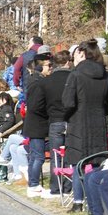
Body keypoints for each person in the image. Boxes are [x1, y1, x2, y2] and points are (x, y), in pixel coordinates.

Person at [64, 40, 108, 212]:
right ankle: (94, 203)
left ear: (82, 54)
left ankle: (78, 202)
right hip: (99, 123)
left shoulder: (76, 75)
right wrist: (100, 112)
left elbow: (68, 101)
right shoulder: (107, 76)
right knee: (95, 164)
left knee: (77, 164)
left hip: (78, 123)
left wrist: (68, 115)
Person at [41, 50, 72, 197]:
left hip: (54, 120)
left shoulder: (47, 81)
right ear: (67, 62)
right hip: (71, 119)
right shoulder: (73, 78)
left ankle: (56, 187)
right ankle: (69, 186)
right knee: (70, 155)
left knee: (56, 156)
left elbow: (44, 102)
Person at [23, 50, 53, 198]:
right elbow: (35, 106)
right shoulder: (37, 82)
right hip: (37, 124)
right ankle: (33, 184)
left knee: (35, 156)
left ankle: (33, 183)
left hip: (36, 124)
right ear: (40, 67)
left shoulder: (35, 81)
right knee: (38, 157)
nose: (50, 68)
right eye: (48, 66)